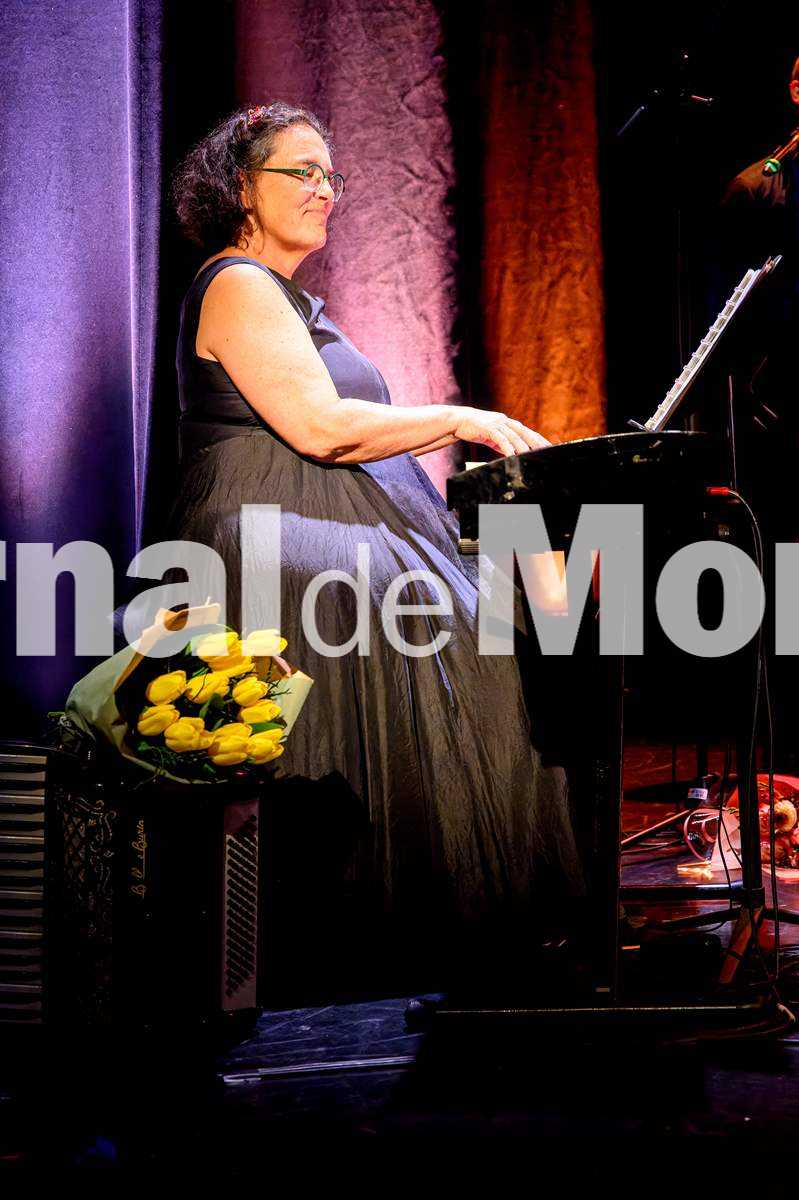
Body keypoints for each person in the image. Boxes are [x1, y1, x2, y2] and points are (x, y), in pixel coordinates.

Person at [165, 101, 583, 990]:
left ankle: (517, 911)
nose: (324, 189)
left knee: (520, 601)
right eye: (301, 172)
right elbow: (322, 429)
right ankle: (429, 925)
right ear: (240, 186)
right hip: (270, 532)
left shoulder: (285, 297)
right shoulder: (236, 282)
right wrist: (463, 416)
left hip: (322, 520)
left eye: (330, 175)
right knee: (470, 622)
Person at [719, 59, 799, 769]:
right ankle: (785, 765)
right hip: (787, 424)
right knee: (789, 597)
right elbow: (730, 332)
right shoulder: (759, 188)